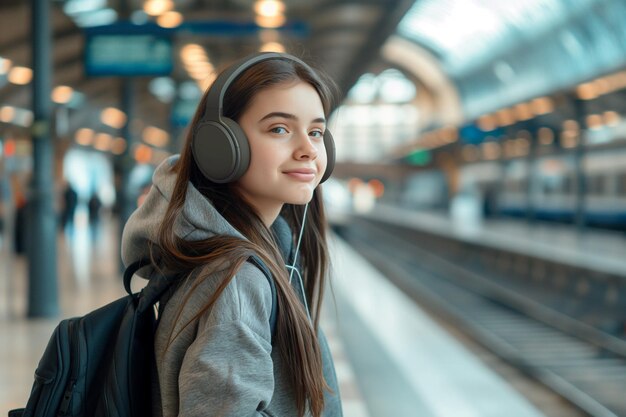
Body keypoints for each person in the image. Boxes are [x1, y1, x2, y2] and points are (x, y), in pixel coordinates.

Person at [121, 52, 342, 417]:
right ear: (222, 146)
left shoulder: (255, 256)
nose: (308, 150)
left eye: (316, 132)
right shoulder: (237, 281)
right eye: (279, 129)